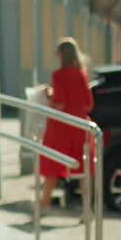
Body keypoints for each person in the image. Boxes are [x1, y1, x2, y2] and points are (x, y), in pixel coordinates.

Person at [38, 37, 94, 209]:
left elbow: (60, 103)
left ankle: (44, 206)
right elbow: (88, 103)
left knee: (52, 168)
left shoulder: (58, 75)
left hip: (61, 128)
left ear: (61, 55)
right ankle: (87, 210)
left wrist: (49, 96)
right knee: (83, 170)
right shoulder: (81, 74)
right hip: (80, 126)